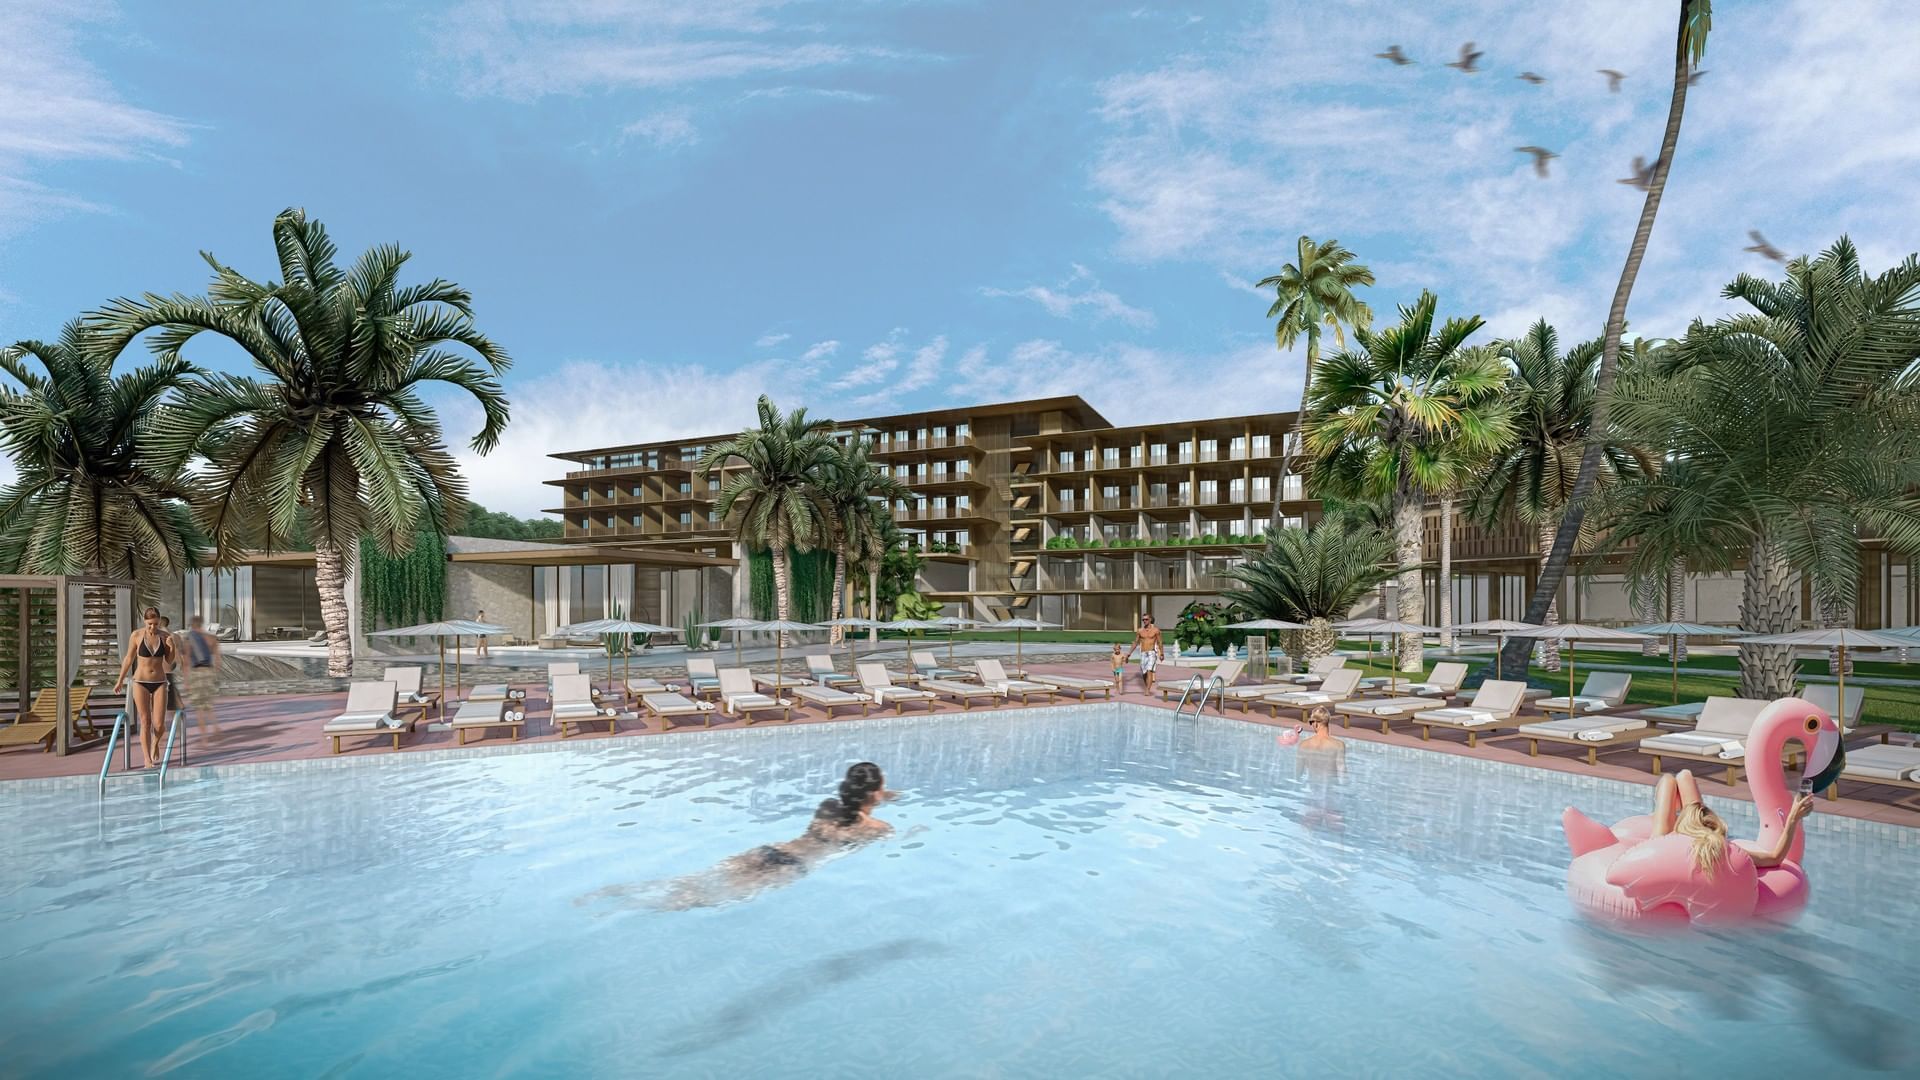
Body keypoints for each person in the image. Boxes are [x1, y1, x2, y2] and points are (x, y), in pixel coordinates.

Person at [595, 763, 896, 912]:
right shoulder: (876, 828)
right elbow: (879, 834)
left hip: (771, 851)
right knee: (702, 898)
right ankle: (629, 909)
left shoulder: (828, 807)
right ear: (874, 793)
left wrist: (878, 796)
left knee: (693, 879)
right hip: (792, 868)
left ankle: (613, 893)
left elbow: (853, 808)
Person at [1653, 769, 1815, 875]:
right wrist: (1793, 818)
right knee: (1684, 775)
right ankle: (1680, 803)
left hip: (1668, 842)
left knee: (1669, 780)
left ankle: (1675, 803)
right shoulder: (1725, 850)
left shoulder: (1664, 842)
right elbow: (1774, 858)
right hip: (1691, 830)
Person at [113, 608, 176, 768]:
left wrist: (172, 646)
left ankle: (156, 741)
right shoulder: (136, 635)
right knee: (145, 721)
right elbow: (128, 658)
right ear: (144, 622)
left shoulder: (165, 636)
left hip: (160, 682)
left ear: (160, 621)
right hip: (140, 682)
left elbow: (169, 660)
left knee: (159, 725)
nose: (152, 628)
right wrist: (120, 680)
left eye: (155, 624)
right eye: (149, 624)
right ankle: (147, 759)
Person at [182, 615, 223, 739]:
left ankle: (204, 736)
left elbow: (186, 660)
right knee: (208, 704)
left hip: (196, 672)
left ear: (191, 624)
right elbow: (218, 660)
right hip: (209, 671)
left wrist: (186, 680)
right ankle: (215, 727)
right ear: (201, 624)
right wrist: (215, 675)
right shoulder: (212, 638)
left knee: (198, 706)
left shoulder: (189, 638)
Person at [1128, 613, 1164, 692]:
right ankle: (1147, 686)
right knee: (1144, 673)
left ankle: (1147, 690)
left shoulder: (1156, 630)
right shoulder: (1140, 630)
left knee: (1149, 670)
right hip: (1143, 653)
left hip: (1152, 653)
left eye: (1146, 619)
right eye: (1143, 619)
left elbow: (1160, 642)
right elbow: (1135, 642)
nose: (1144, 621)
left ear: (1150, 620)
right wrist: (1129, 653)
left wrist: (1161, 653)